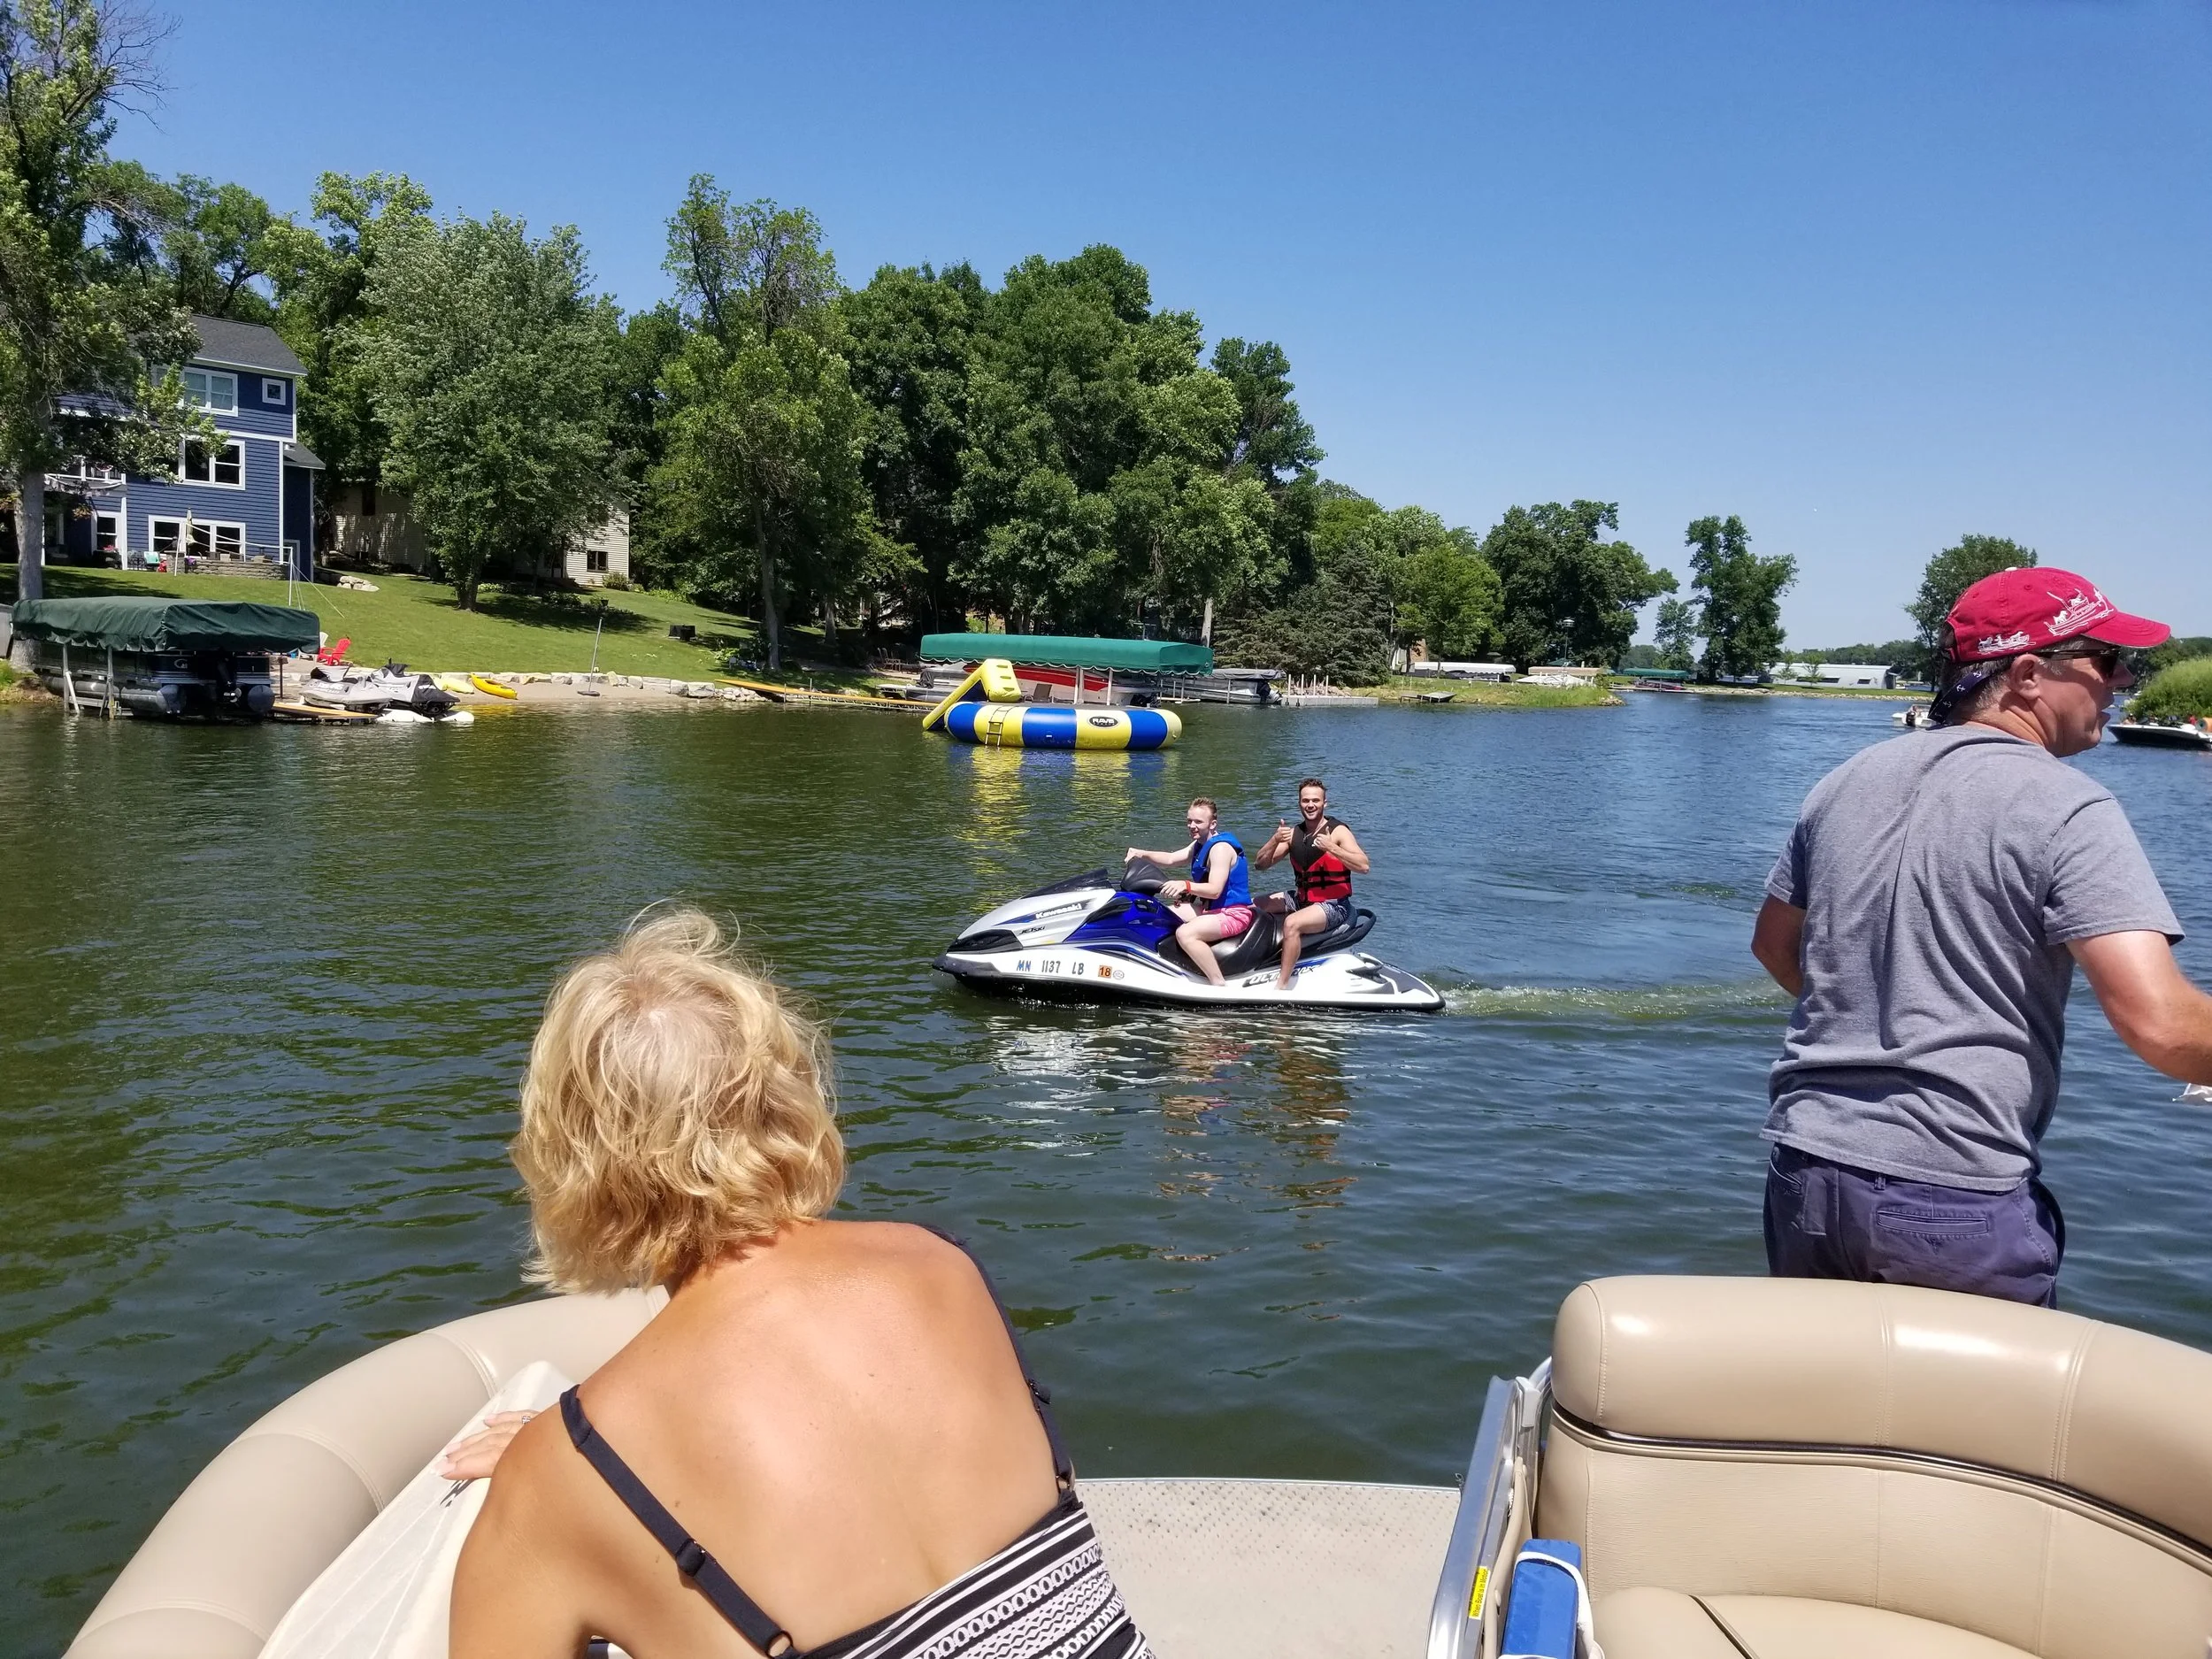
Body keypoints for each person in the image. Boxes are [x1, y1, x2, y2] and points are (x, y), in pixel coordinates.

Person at [446, 909, 1151, 1659]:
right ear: (789, 1094)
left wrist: (558, 1476)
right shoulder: (942, 1264)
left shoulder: (562, 1479)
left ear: (570, 1158)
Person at [1751, 567, 2212, 1306]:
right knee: (1974, 1426)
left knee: (1829, 1415)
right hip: (1953, 1197)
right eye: (2105, 659)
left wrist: (1887, 1012)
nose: (2123, 679)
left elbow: (1775, 947)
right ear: (2029, 674)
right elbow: (2158, 1022)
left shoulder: (1844, 781)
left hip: (1805, 1172)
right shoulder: (2071, 807)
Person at [1254, 778, 1371, 990]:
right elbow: (1260, 865)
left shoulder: (1338, 832)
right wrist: (1274, 840)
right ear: (1299, 803)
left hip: (1334, 905)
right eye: (1305, 800)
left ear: (1325, 803)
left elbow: (1363, 866)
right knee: (1254, 905)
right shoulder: (1293, 834)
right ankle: (1254, 963)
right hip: (1303, 899)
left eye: (1315, 800)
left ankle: (1281, 986)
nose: (1310, 805)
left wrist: (1332, 848)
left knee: (1292, 923)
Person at [1125, 798, 1255, 986]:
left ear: (1213, 824)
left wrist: (1186, 885)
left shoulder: (1220, 849)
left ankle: (1218, 983)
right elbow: (1170, 859)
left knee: (1185, 934)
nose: (1192, 826)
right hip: (1210, 909)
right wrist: (1141, 854)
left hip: (1233, 914)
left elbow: (1215, 890)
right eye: (1189, 821)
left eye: (1198, 822)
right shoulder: (1199, 845)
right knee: (1157, 914)